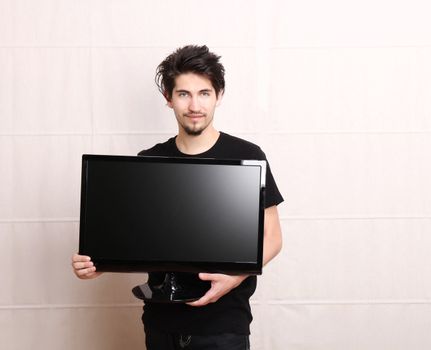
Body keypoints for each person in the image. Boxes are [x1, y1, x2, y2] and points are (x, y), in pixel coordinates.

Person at [72, 45, 284, 350]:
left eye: (204, 93)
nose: (194, 105)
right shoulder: (149, 161)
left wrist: (234, 278)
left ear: (219, 96)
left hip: (223, 327)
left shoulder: (248, 156)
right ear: (168, 99)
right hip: (161, 325)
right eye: (184, 94)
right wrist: (95, 264)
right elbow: (135, 238)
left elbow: (273, 237)